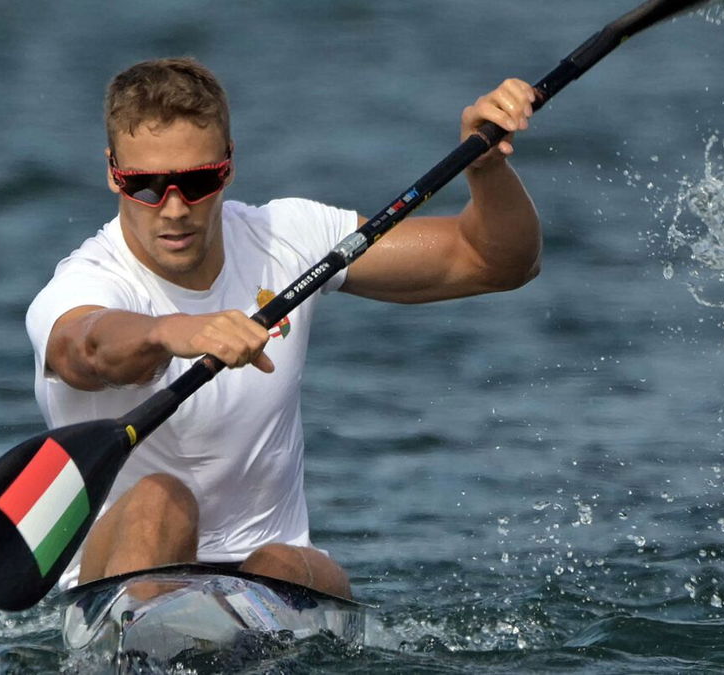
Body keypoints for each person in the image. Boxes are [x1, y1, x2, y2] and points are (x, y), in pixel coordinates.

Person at [26, 57, 540, 600]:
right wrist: (169, 333)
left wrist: (485, 170)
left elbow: (496, 262)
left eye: (197, 182)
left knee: (296, 566)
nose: (173, 208)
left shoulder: (288, 237)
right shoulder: (85, 282)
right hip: (121, 578)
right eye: (146, 185)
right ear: (113, 172)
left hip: (259, 585)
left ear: (228, 166)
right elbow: (83, 348)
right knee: (161, 499)